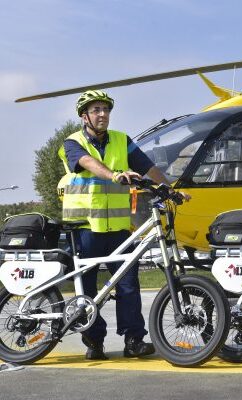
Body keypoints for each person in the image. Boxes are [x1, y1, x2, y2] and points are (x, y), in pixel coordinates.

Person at [58, 89, 182, 360]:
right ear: (84, 116)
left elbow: (148, 168)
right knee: (88, 289)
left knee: (128, 285)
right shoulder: (72, 142)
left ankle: (134, 341)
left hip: (118, 228)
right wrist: (115, 175)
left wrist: (170, 189)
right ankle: (94, 342)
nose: (103, 115)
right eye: (96, 110)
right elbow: (88, 163)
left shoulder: (121, 141)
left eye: (106, 110)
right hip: (85, 227)